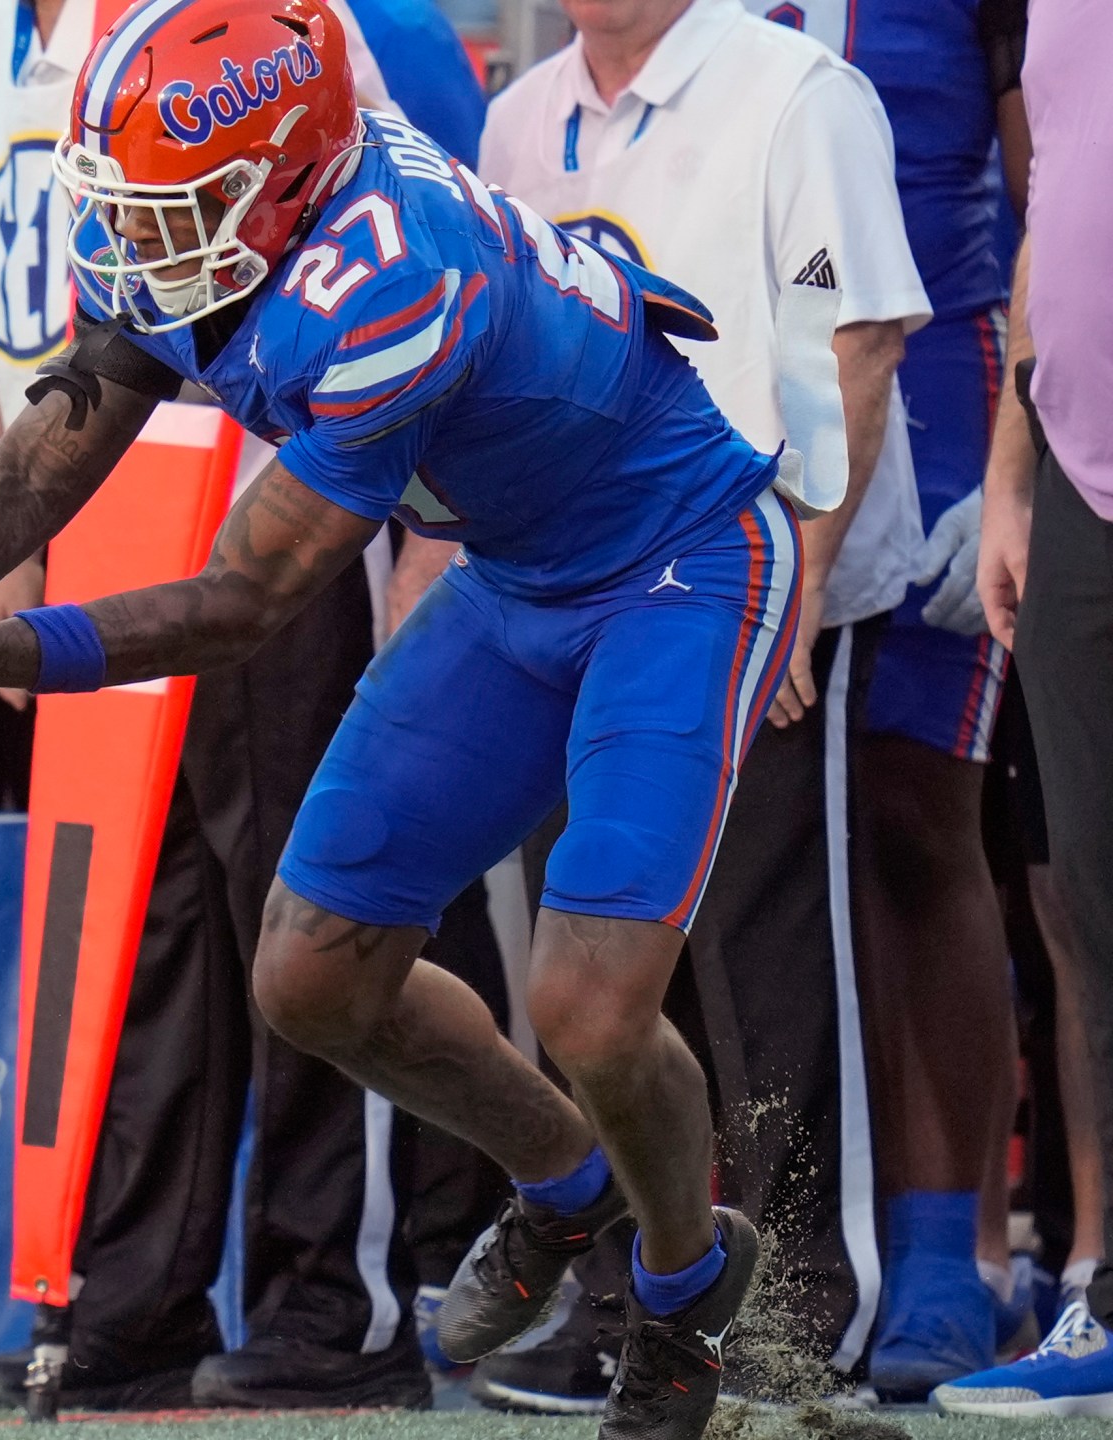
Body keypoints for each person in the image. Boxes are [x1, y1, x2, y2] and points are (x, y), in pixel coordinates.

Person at [0, 0, 818, 1434]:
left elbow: (239, 603)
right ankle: (563, 1185)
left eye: (182, 208)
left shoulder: (396, 282)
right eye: (133, 204)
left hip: (680, 561)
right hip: (519, 566)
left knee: (590, 1004)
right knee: (311, 979)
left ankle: (680, 1292)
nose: (146, 241)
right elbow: (40, 465)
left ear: (285, 182)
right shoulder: (218, 221)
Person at [0, 0, 500, 1411]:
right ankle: (138, 1290)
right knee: (149, 915)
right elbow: (45, 298)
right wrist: (9, 543)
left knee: (306, 899)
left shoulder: (276, 29)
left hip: (286, 480)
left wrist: (422, 544)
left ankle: (341, 1295)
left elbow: (419, 261)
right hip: (100, 470)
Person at [477, 0, 929, 1404]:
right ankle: (632, 1306)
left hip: (756, 586)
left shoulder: (798, 89)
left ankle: (792, 1316)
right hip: (577, 601)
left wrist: (792, 593)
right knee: (592, 976)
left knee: (763, 968)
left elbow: (854, 356)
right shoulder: (514, 116)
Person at [745, 0, 1032, 1395]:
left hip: (940, 367)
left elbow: (1068, 179)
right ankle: (757, 1234)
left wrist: (1027, 441)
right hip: (742, 377)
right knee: (769, 830)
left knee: (920, 810)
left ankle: (945, 1248)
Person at [944, 0, 1113, 1411]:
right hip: (1076, 480)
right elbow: (1051, 214)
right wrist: (1011, 474)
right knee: (1095, 908)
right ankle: (1111, 1300)